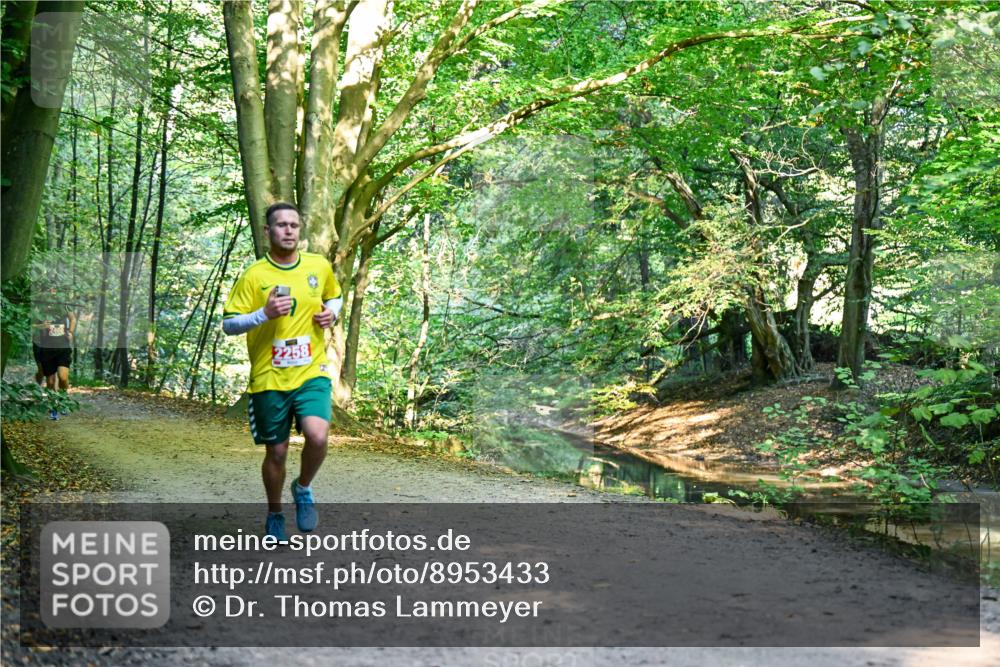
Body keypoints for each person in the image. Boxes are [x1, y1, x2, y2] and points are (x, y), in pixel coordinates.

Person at [222, 202, 342, 540]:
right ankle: (275, 513)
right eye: (281, 225)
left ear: (299, 230)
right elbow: (229, 324)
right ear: (267, 232)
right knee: (276, 451)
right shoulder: (254, 275)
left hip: (311, 372)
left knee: (318, 436)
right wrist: (264, 314)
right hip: (269, 377)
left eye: (294, 224)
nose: (288, 230)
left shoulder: (318, 266)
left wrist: (331, 315)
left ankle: (303, 487)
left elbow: (335, 297)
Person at [31, 290, 76, 419]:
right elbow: (32, 324)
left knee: (62, 377)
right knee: (50, 382)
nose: (53, 293)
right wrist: (41, 326)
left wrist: (71, 332)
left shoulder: (64, 305)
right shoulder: (40, 307)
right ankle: (53, 408)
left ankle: (63, 401)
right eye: (50, 291)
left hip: (62, 347)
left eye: (55, 291)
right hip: (46, 348)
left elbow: (73, 319)